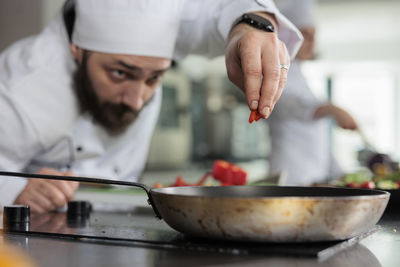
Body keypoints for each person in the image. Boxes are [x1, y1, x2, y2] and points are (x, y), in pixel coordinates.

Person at [0, 0, 302, 212]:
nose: (136, 100)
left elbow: (223, 10)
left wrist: (251, 27)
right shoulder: (23, 87)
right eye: (120, 73)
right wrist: (18, 191)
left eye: (154, 78)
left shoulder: (159, 27)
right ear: (78, 51)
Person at [267, 0, 358, 185]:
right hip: (289, 178)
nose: (313, 43)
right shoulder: (274, 71)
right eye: (306, 35)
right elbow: (291, 106)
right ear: (288, 37)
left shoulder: (300, 75)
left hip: (312, 179)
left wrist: (336, 170)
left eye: (314, 36)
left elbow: (315, 136)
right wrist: (332, 109)